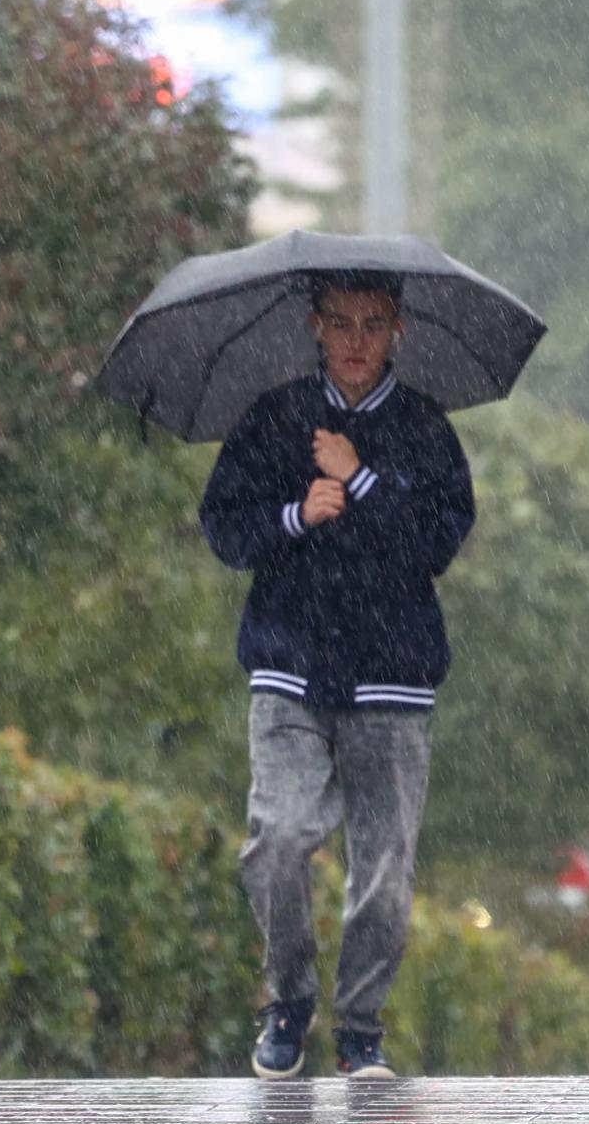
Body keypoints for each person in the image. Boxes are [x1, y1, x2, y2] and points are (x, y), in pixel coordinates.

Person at [199, 271, 476, 1081]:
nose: (357, 339)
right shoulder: (275, 415)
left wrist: (361, 480)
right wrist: (296, 512)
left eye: (374, 323)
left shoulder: (425, 429)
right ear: (316, 326)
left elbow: (437, 542)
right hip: (289, 664)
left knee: (385, 867)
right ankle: (288, 998)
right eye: (343, 322)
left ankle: (361, 1027)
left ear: (398, 331)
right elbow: (224, 526)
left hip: (393, 674)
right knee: (278, 837)